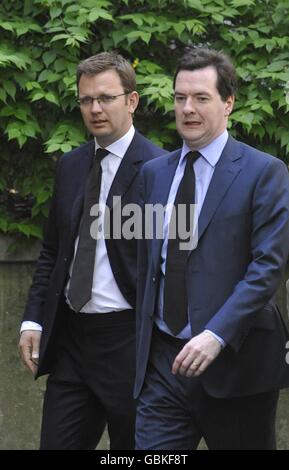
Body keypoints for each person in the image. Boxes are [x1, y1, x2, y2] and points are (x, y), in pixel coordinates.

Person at [135, 47, 289, 450]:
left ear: (228, 103)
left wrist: (216, 334)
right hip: (165, 366)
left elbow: (268, 266)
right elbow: (151, 264)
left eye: (201, 98)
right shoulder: (154, 174)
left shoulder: (264, 171)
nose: (188, 108)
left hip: (237, 364)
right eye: (180, 97)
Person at [19, 51, 166, 450]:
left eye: (106, 98)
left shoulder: (159, 169)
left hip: (129, 344)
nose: (95, 109)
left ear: (131, 101)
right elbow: (52, 251)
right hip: (70, 340)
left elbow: (171, 267)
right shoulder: (70, 164)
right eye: (86, 100)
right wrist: (33, 321)